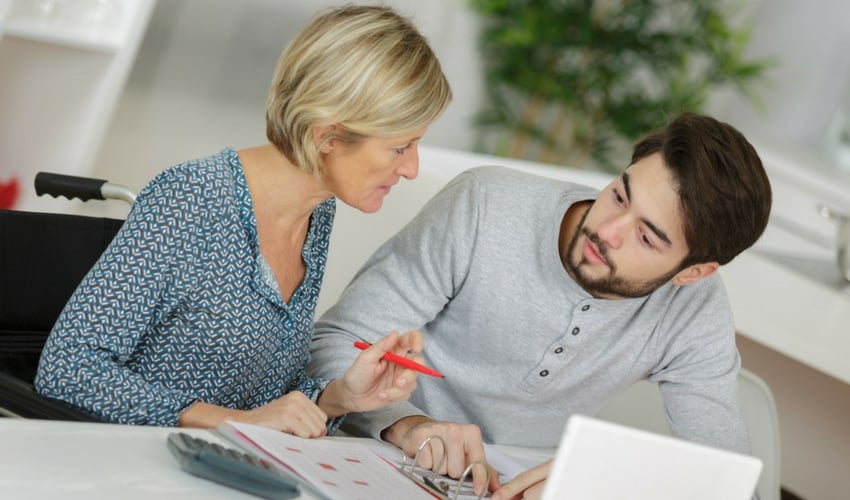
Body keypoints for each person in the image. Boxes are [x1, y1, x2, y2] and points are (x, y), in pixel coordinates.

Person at [34, 5, 452, 436]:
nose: (412, 169)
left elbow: (263, 400)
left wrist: (340, 396)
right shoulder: (192, 197)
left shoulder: (316, 214)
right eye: (401, 147)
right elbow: (68, 368)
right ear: (326, 137)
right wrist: (230, 421)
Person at [308, 112, 772, 496]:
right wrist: (405, 424)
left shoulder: (694, 307)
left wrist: (599, 483)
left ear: (693, 272)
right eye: (618, 195)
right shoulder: (485, 205)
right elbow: (334, 344)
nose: (606, 231)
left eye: (646, 237)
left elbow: (728, 480)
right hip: (384, 466)